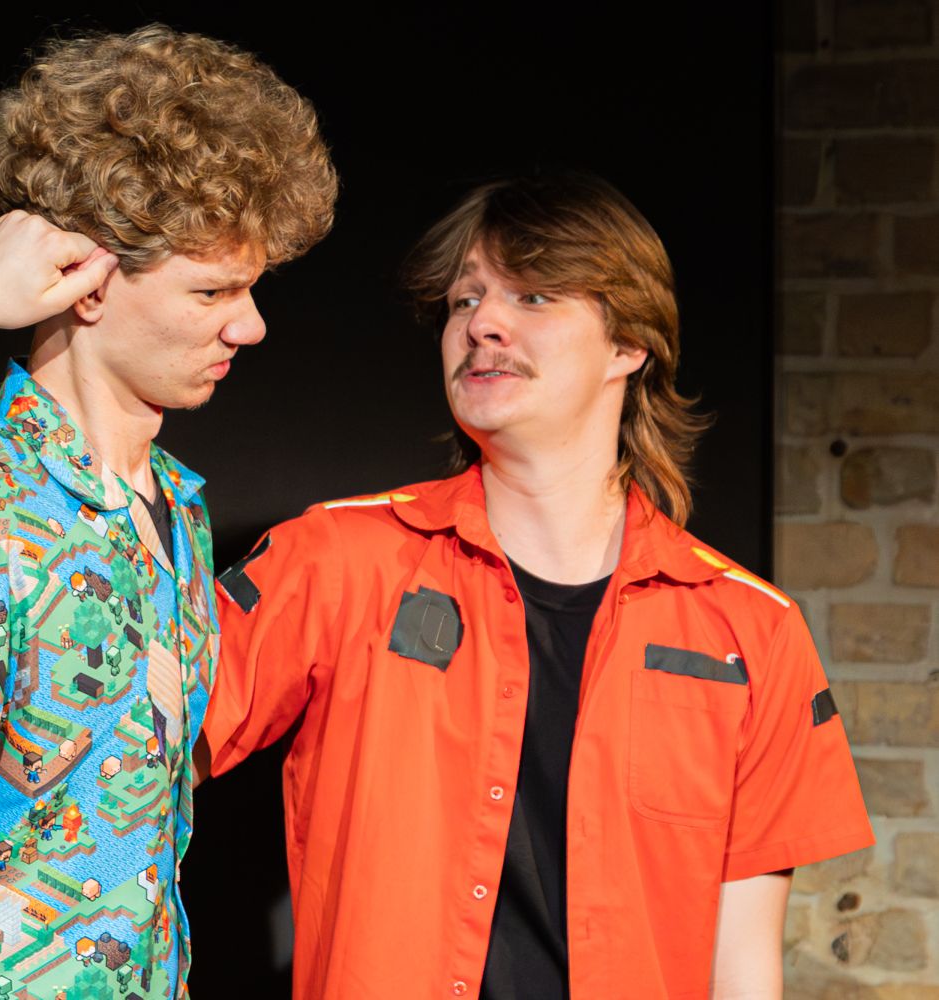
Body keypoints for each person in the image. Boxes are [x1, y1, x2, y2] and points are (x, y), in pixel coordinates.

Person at [200, 174, 874, 999]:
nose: (481, 323)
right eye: (464, 300)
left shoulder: (753, 633)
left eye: (534, 295)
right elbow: (123, 753)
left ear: (628, 345)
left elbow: (742, 968)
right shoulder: (336, 561)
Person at [0, 25, 337, 1000]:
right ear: (89, 284)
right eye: (213, 291)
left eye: (252, 287)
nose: (251, 324)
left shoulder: (176, 509)